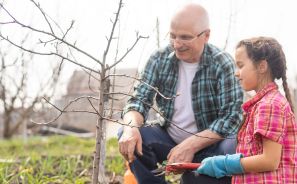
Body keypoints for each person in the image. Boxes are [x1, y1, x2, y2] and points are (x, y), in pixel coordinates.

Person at [118, 3, 243, 184]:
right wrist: (130, 128)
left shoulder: (222, 63)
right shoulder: (159, 59)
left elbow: (232, 118)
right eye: (173, 36)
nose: (177, 44)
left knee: (231, 148)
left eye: (185, 37)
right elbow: (139, 100)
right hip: (169, 140)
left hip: (212, 144)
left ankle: (197, 176)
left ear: (206, 35)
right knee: (130, 133)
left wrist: (191, 144)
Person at [197, 37, 297, 183]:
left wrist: (224, 163)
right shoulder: (263, 104)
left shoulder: (269, 104)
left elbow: (270, 160)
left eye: (240, 65)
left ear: (262, 66)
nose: (236, 73)